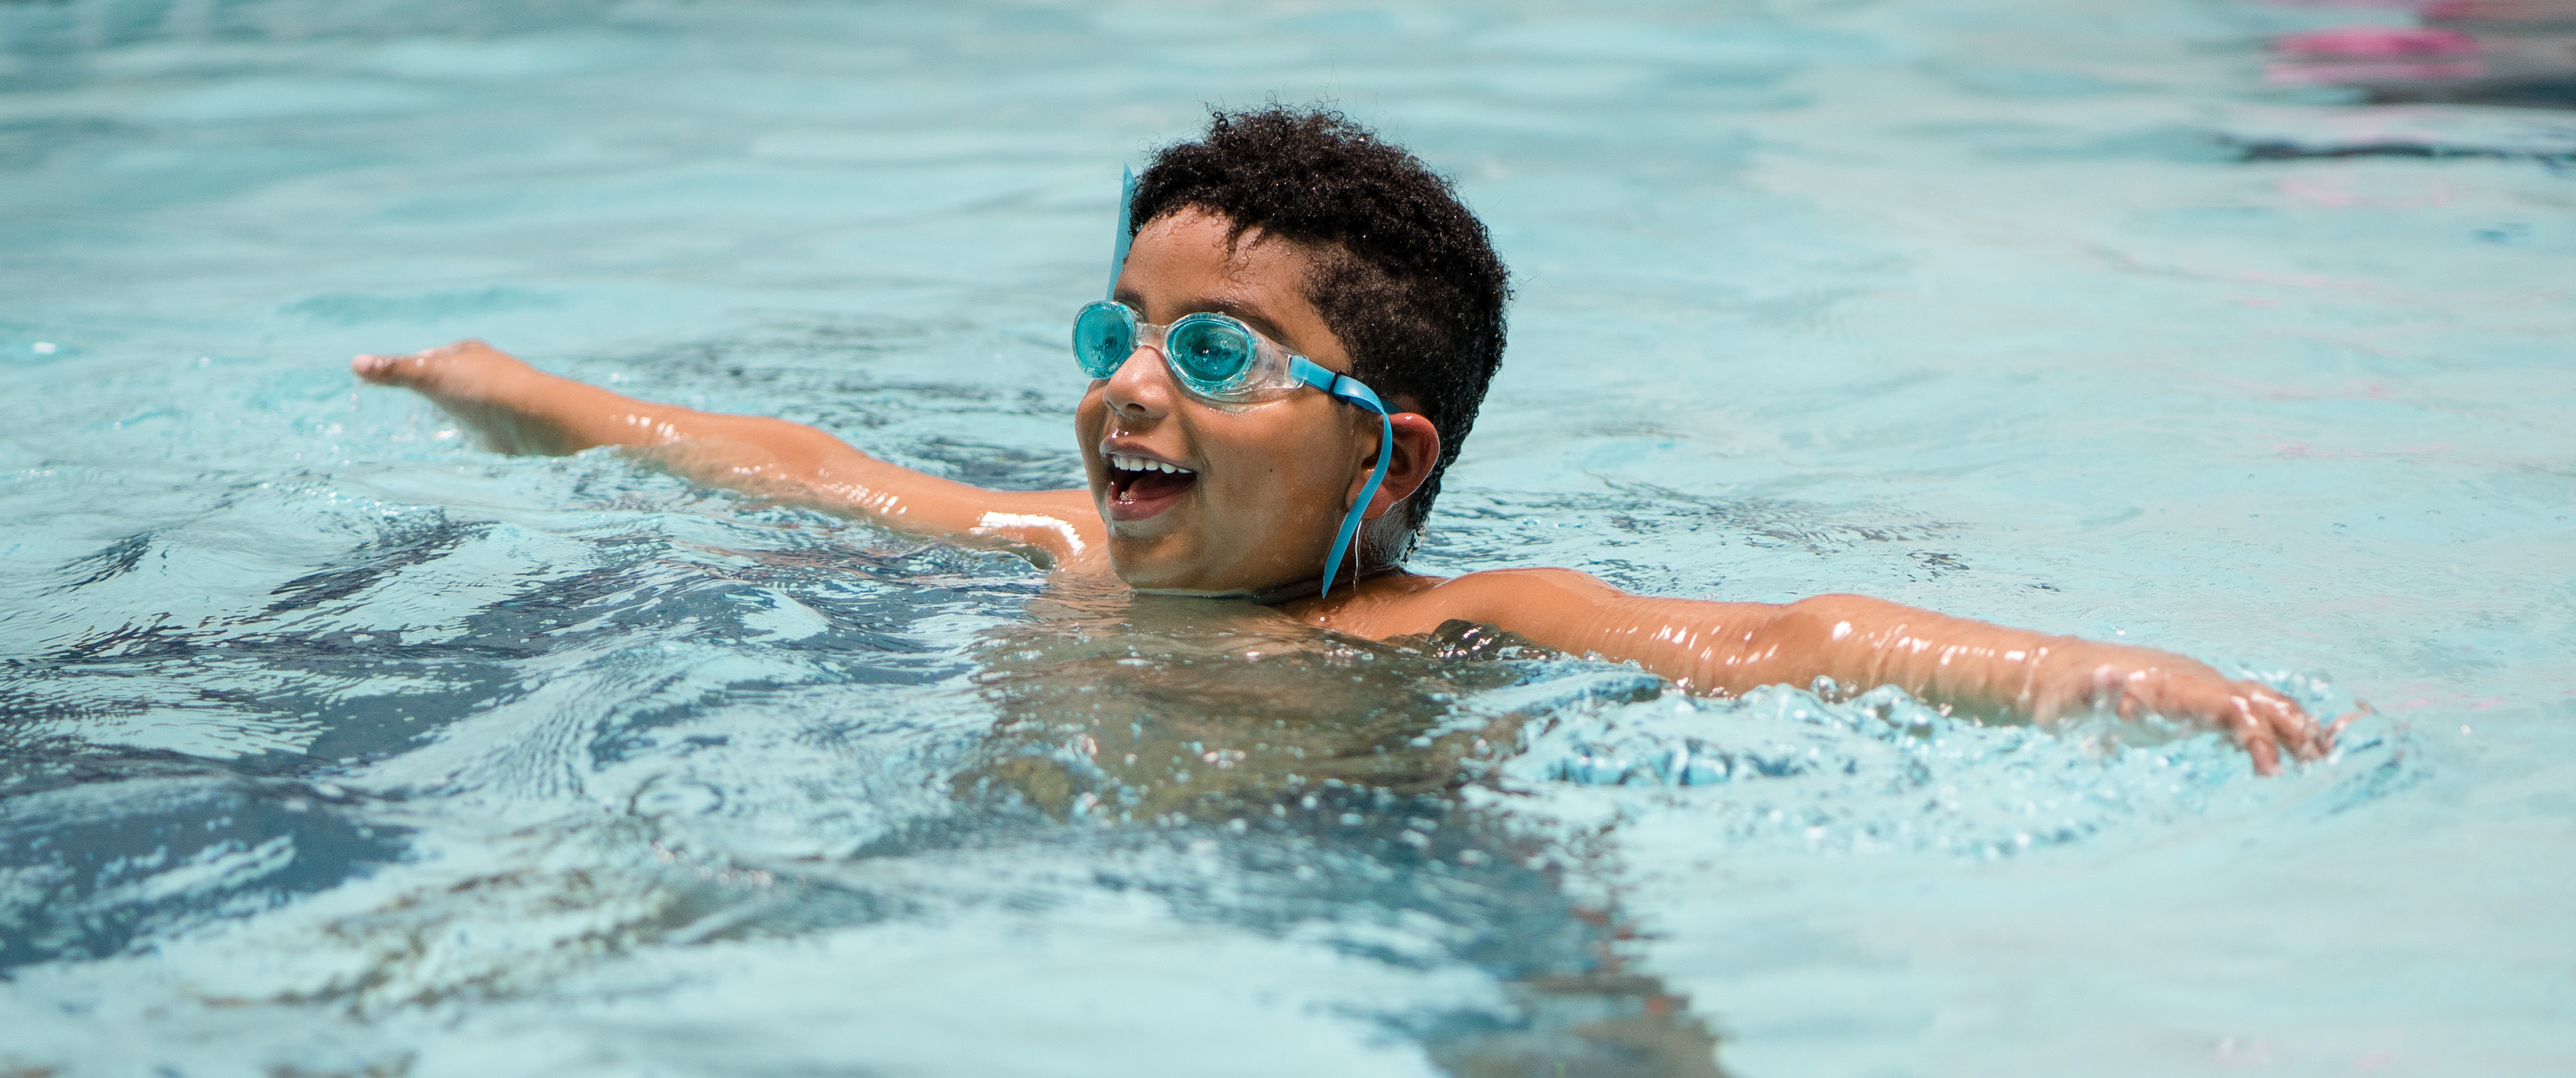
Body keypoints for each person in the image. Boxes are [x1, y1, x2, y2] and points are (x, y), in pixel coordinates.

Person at [352, 106, 2340, 775]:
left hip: (1359, 827)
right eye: (1120, 331)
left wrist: (2096, 672)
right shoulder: (1054, 544)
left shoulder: (1434, 629)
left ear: (1384, 463)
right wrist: (534, 399)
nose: (1131, 388)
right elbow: (793, 465)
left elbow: (1778, 643)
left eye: (1214, 351)